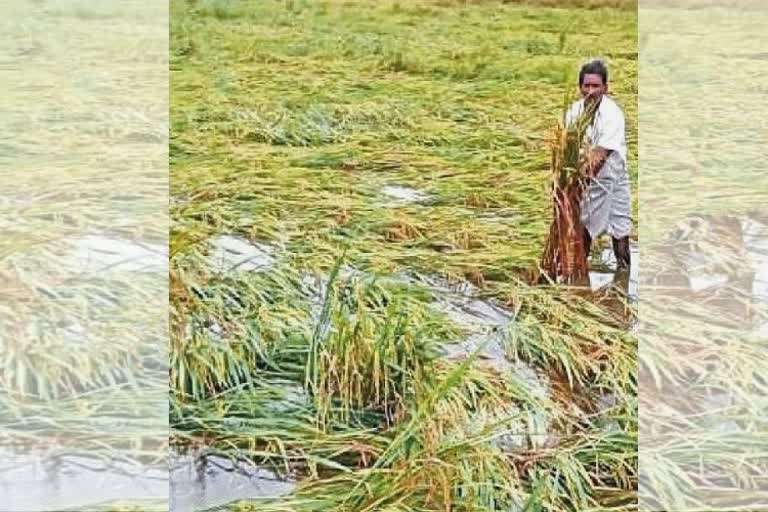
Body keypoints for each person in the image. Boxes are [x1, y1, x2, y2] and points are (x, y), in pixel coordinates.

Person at [565, 59, 632, 270]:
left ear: (605, 88)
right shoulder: (574, 112)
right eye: (587, 86)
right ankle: (578, 273)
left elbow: (601, 155)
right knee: (586, 220)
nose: (591, 91)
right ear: (580, 87)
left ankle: (624, 271)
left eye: (596, 86)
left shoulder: (612, 114)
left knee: (620, 223)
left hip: (609, 171)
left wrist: (578, 186)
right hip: (587, 171)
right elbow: (568, 147)